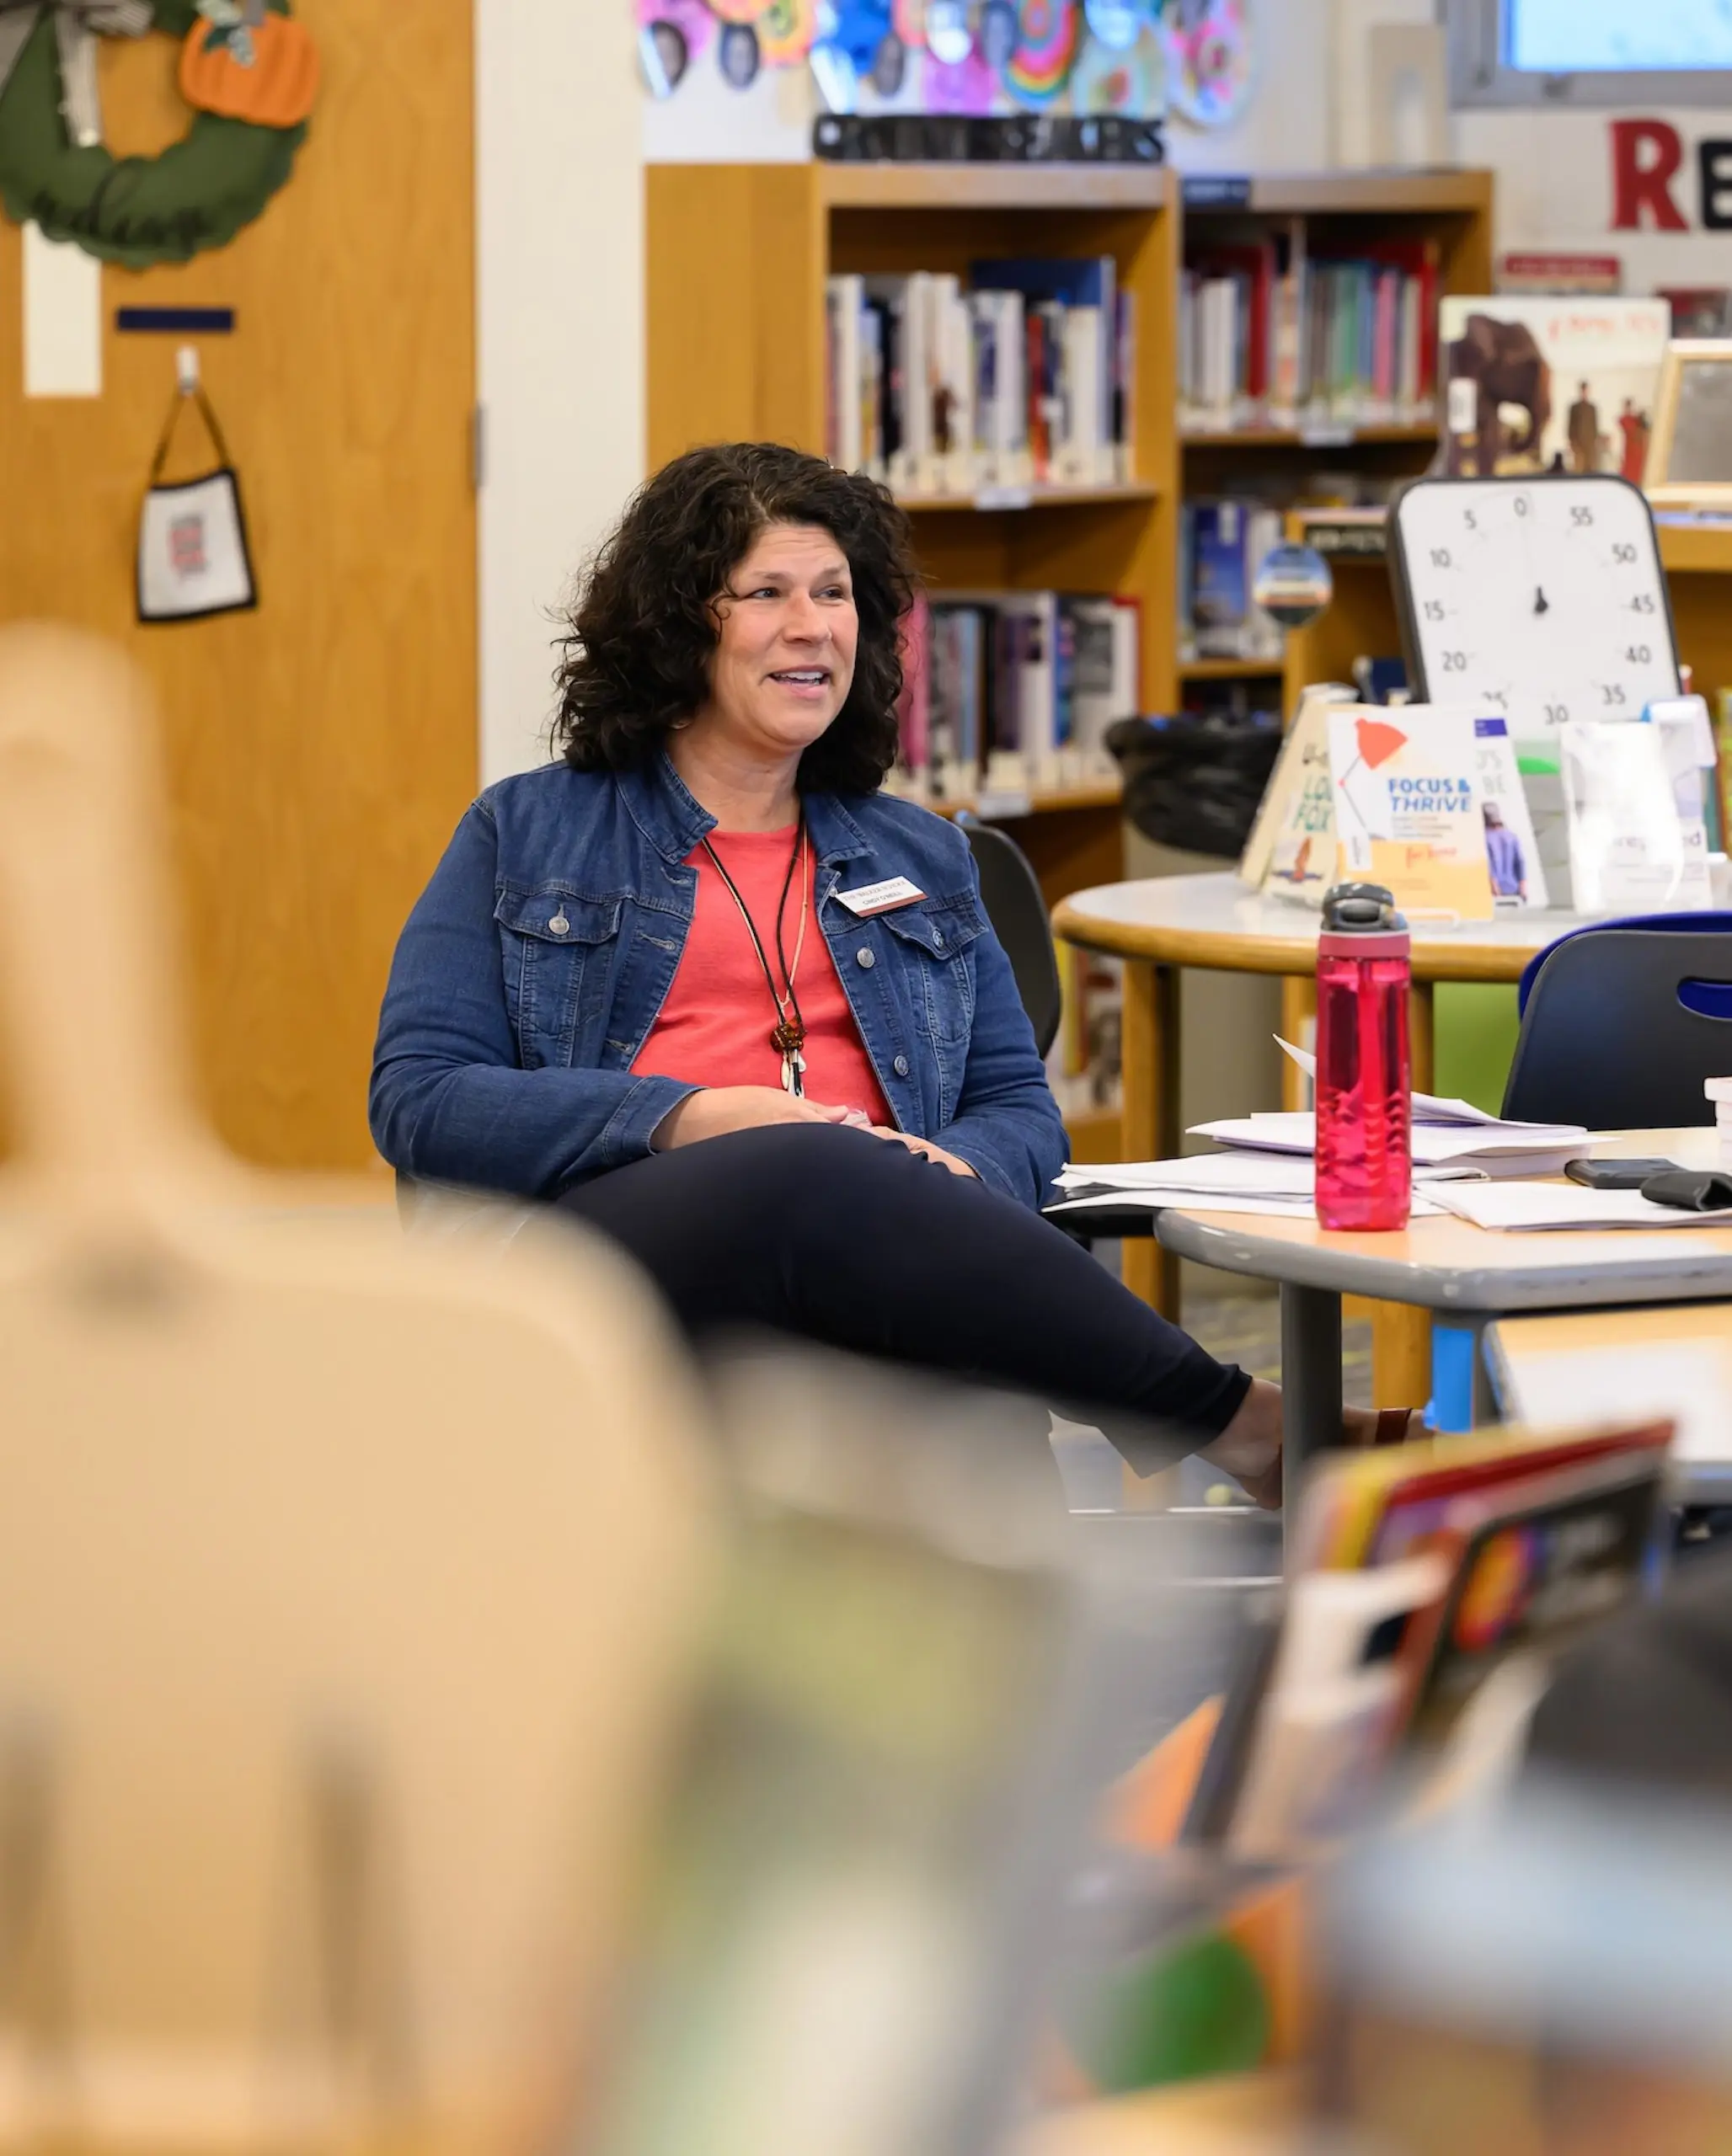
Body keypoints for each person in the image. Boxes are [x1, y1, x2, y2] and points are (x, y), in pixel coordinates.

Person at [371, 443, 1416, 1505]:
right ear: (680, 624)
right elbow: (421, 1098)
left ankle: (1094, 1593)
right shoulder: (528, 831)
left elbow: (1014, 1107)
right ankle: (1242, 1425)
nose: (812, 624)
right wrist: (689, 1118)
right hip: (606, 1265)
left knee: (876, 1228)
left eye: (834, 593)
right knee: (805, 1164)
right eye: (766, 593)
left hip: (872, 1261)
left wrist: (947, 1172)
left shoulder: (918, 854)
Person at [1483, 801, 1526, 903]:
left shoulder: (1484, 837)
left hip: (1493, 890)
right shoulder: (1511, 836)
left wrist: (1493, 885)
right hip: (1514, 888)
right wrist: (1523, 885)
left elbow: (1488, 864)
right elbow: (1520, 862)